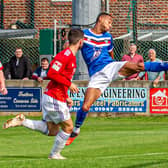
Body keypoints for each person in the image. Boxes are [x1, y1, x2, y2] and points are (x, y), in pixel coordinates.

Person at [64, 12, 168, 146]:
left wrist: (116, 66)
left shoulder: (108, 37)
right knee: (85, 106)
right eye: (109, 21)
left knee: (139, 66)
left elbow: (110, 54)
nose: (111, 25)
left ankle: (165, 65)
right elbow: (70, 48)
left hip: (111, 66)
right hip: (97, 76)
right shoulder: (84, 35)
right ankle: (76, 130)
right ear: (100, 19)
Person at [3, 28, 84, 159]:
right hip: (54, 97)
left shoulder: (71, 57)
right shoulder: (65, 56)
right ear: (81, 42)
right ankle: (54, 154)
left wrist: (67, 96)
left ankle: (22, 121)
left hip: (57, 96)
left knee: (52, 130)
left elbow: (61, 78)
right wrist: (69, 85)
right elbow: (51, 73)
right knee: (69, 127)